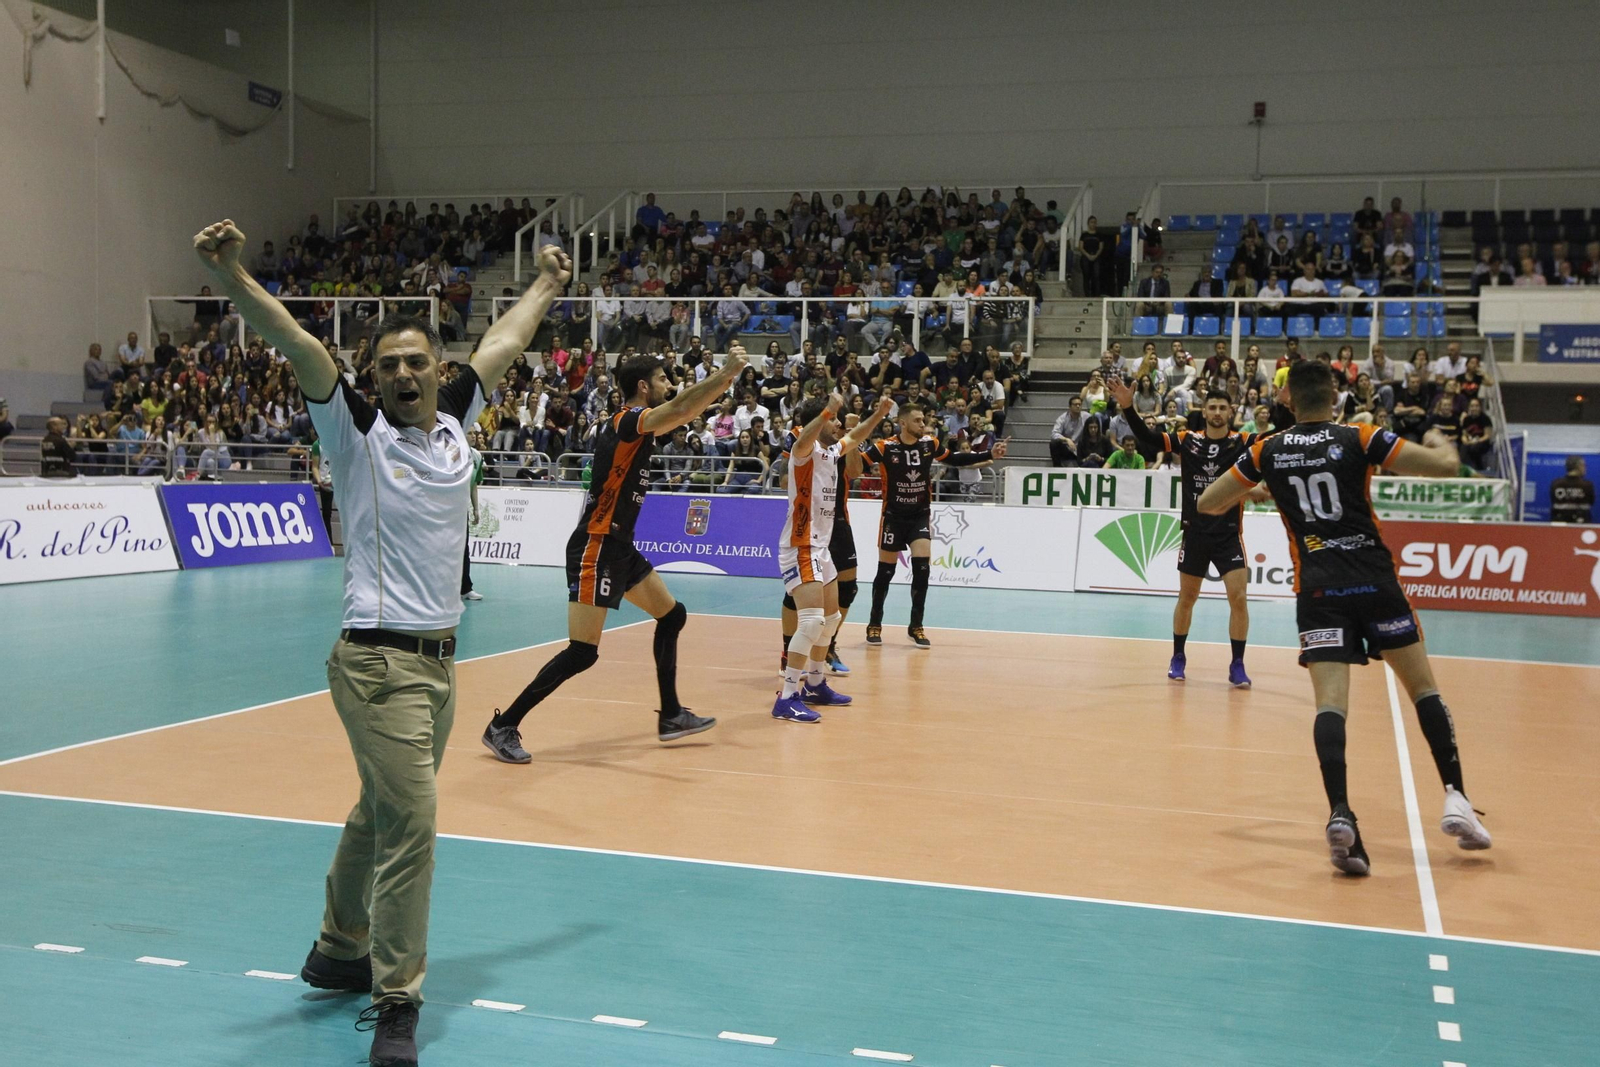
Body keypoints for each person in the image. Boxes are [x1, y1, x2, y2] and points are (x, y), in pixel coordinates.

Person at [193, 218, 572, 1067]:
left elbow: (503, 344)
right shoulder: (357, 431)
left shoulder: (453, 422)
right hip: (376, 662)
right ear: (370, 377)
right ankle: (396, 997)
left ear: (438, 369)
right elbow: (293, 340)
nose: (403, 373)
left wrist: (547, 283)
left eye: (416, 361)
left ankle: (337, 945)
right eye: (387, 364)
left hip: (439, 667)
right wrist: (230, 273)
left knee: (382, 808)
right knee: (415, 825)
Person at [1198, 360, 1492, 876]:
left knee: (1330, 707)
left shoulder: (1267, 450)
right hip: (1375, 583)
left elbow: (1208, 503)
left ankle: (1341, 814)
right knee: (1424, 690)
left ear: (1287, 402)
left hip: (1319, 590)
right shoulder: (1361, 437)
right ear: (1334, 396)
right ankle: (1456, 798)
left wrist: (1261, 488)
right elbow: (1444, 469)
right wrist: (1443, 443)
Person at [482, 345, 751, 763]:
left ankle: (672, 715)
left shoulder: (640, 426)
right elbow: (680, 409)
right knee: (582, 651)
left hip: (620, 546)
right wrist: (726, 375)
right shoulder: (629, 420)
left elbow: (680, 411)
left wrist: (725, 380)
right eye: (662, 379)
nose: (669, 384)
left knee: (672, 614)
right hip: (597, 543)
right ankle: (503, 725)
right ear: (643, 386)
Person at [1112, 363, 1270, 688]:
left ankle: (1237, 664)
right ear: (1204, 410)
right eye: (1211, 407)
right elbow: (1148, 438)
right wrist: (1128, 407)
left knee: (1238, 599)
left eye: (1222, 407)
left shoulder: (1243, 441)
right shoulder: (1188, 440)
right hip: (1195, 534)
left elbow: (1279, 440)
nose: (1216, 412)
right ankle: (1178, 656)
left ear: (1231, 411)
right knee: (1187, 598)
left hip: (1228, 536)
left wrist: (1287, 408)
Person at [771, 393, 893, 723]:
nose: (840, 424)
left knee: (831, 619)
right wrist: (827, 410)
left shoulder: (831, 450)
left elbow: (856, 436)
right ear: (821, 421)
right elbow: (809, 434)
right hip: (800, 546)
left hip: (820, 548)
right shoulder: (803, 450)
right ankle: (787, 697)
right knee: (810, 621)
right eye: (835, 420)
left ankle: (814, 684)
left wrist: (878, 414)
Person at [861, 402, 1007, 648]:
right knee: (885, 573)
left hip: (919, 515)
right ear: (903, 423)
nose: (923, 424)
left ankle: (916, 625)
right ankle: (875, 623)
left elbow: (955, 459)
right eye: (918, 420)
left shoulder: (930, 443)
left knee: (922, 569)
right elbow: (859, 465)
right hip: (893, 517)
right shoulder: (885, 447)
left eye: (923, 420)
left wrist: (989, 454)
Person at [462, 445, 485, 601]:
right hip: (443, 509)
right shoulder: (449, 449)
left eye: (473, 433)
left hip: (462, 510)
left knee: (464, 550)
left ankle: (465, 589)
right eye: (469, 433)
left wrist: (476, 509)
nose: (472, 436)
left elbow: (474, 485)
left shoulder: (476, 455)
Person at [1551, 456, 1595, 523]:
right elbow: (1591, 501)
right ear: (1579, 466)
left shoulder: (1556, 484)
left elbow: (1553, 500)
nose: (1585, 468)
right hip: (1581, 524)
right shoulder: (1587, 486)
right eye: (1584, 465)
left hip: (1559, 523)